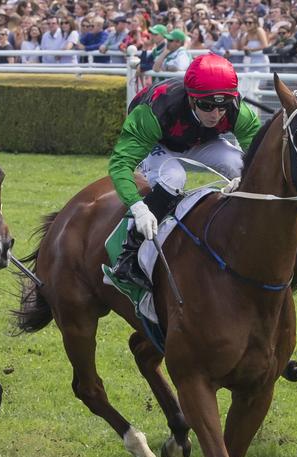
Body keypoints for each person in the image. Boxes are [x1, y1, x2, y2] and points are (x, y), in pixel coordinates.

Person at [109, 54, 261, 290]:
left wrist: (246, 177)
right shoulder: (156, 109)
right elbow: (120, 163)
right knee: (174, 176)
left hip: (200, 141)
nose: (216, 114)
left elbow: (258, 153)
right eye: (207, 105)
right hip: (159, 142)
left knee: (239, 165)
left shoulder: (236, 109)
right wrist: (138, 207)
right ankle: (129, 255)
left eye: (223, 105)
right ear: (191, 99)